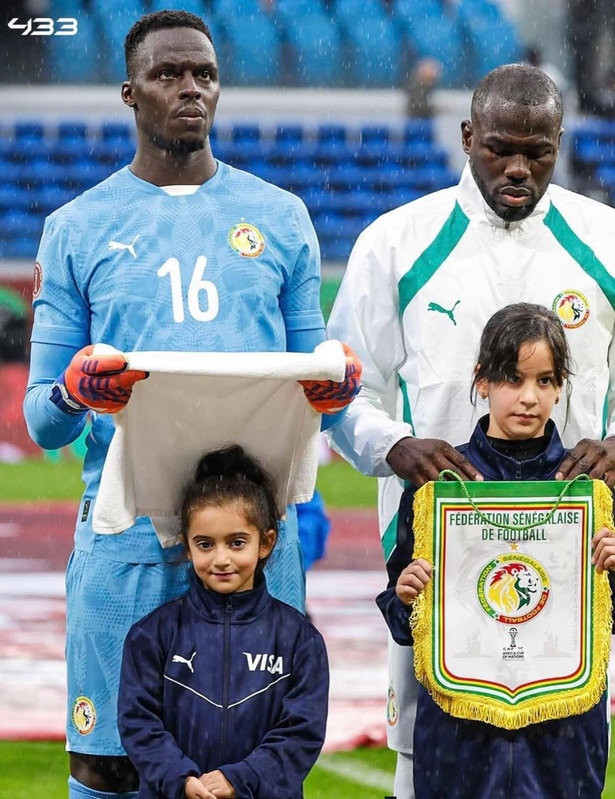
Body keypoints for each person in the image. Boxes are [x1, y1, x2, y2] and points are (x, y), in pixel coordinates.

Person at [22, 10, 359, 798]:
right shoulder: (75, 227)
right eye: (170, 74)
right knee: (111, 767)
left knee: (258, 765)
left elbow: (324, 385)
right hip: (128, 544)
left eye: (203, 74)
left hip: (251, 547)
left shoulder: (279, 218)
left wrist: (337, 385)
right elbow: (44, 420)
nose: (190, 88)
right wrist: (77, 387)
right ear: (129, 91)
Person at [326, 62, 615, 799]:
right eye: (497, 148)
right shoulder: (395, 243)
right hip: (436, 563)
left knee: (566, 754)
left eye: (538, 151)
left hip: (576, 563)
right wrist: (392, 445)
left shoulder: (605, 241)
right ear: (465, 137)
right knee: (428, 760)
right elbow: (336, 390)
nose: (517, 167)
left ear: (560, 142)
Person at [376, 303, 615, 798]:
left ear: (560, 386)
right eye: (513, 378)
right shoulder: (438, 486)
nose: (530, 397)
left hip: (564, 734)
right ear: (481, 380)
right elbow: (404, 624)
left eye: (545, 381)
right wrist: (405, 596)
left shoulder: (591, 490)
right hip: (461, 733)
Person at [118, 444, 329, 799]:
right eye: (205, 544)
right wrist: (180, 779)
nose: (221, 559)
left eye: (236, 543)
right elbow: (138, 724)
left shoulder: (299, 639)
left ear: (266, 543)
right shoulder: (153, 634)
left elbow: (302, 732)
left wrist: (243, 778)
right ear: (186, 547)